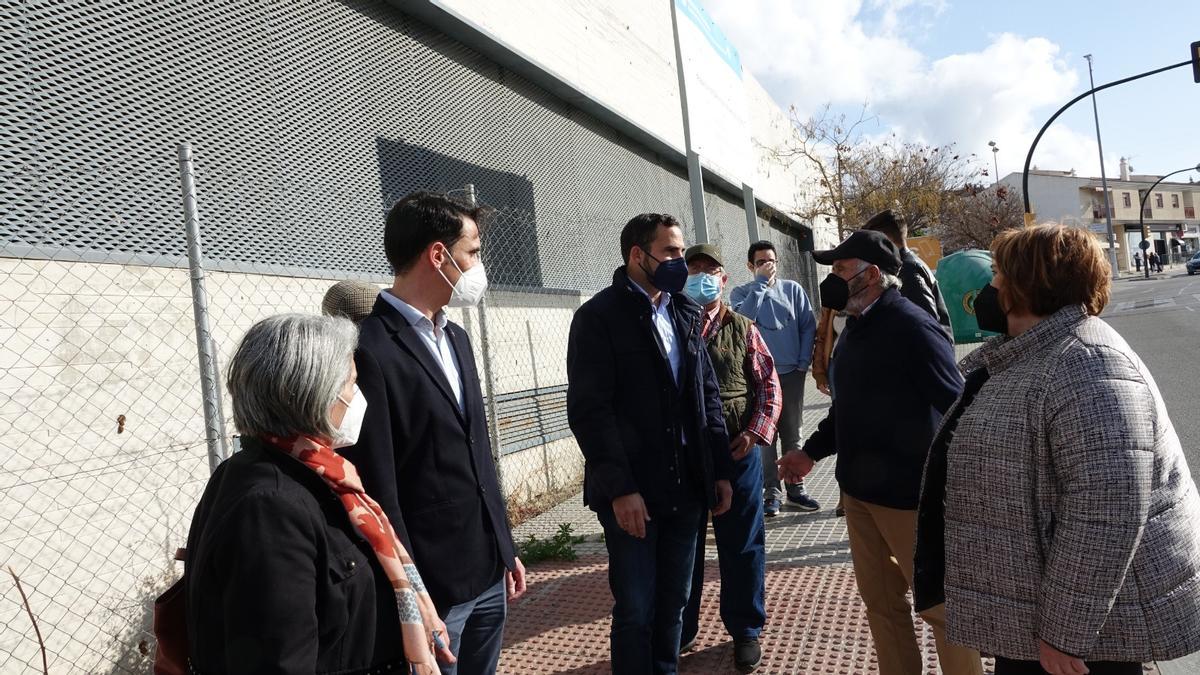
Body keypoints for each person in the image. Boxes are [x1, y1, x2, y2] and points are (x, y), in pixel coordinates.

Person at [914, 224, 1200, 675]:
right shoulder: (1034, 352)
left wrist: (1065, 635)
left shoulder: (1088, 363)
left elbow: (1105, 515)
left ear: (1029, 285)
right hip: (1040, 617)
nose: (990, 288)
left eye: (999, 276)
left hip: (1084, 640)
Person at [184, 314, 454, 674]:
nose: (358, 397)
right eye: (350, 383)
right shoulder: (270, 507)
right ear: (313, 393)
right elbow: (277, 660)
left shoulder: (317, 473)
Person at [777, 230, 982, 675]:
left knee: (940, 610)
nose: (831, 280)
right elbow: (845, 408)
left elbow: (957, 407)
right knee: (882, 607)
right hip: (858, 494)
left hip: (909, 499)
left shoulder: (912, 327)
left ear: (870, 275)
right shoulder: (854, 329)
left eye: (840, 270)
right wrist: (809, 453)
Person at [341, 191, 523, 675]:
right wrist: (412, 588)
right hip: (434, 584)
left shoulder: (456, 337)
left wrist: (504, 545)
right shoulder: (370, 348)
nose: (478, 266)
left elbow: (477, 451)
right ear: (438, 255)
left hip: (486, 569)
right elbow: (379, 484)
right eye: (474, 252)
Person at [567, 213, 733, 675]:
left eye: (681, 251)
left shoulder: (684, 309)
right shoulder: (598, 318)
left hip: (687, 489)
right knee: (636, 607)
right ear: (637, 255)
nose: (681, 262)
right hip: (634, 494)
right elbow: (589, 412)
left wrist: (718, 470)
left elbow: (706, 395)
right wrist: (620, 488)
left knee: (675, 603)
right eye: (671, 253)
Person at [679, 243, 782, 673]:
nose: (703, 276)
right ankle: (680, 628)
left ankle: (745, 630)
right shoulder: (670, 324)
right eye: (694, 269)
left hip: (737, 454)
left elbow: (769, 386)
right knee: (683, 546)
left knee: (741, 543)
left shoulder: (743, 327)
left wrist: (756, 432)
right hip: (684, 457)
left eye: (711, 270)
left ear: (724, 279)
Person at [730, 241, 819, 516]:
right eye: (760, 262)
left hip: (791, 372)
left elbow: (807, 325)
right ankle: (771, 492)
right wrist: (759, 285)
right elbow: (742, 320)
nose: (767, 266)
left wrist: (803, 362)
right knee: (765, 436)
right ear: (750, 266)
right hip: (758, 377)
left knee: (793, 432)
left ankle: (796, 487)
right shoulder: (741, 293)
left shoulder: (793, 290)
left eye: (771, 261)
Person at [861, 209, 953, 339]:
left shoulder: (908, 271)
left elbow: (927, 328)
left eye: (872, 240)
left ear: (885, 238)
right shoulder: (905, 266)